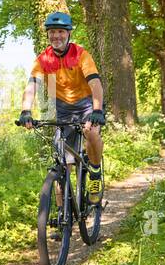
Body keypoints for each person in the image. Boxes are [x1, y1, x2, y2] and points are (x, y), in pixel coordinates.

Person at [17, 11, 105, 204]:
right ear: (48, 34)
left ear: (68, 34)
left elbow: (95, 84)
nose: (56, 36)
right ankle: (61, 218)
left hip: (87, 104)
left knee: (91, 133)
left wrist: (97, 110)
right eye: (52, 32)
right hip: (63, 108)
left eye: (61, 32)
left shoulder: (81, 55)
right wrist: (26, 111)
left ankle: (95, 174)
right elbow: (32, 85)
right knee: (61, 162)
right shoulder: (43, 60)